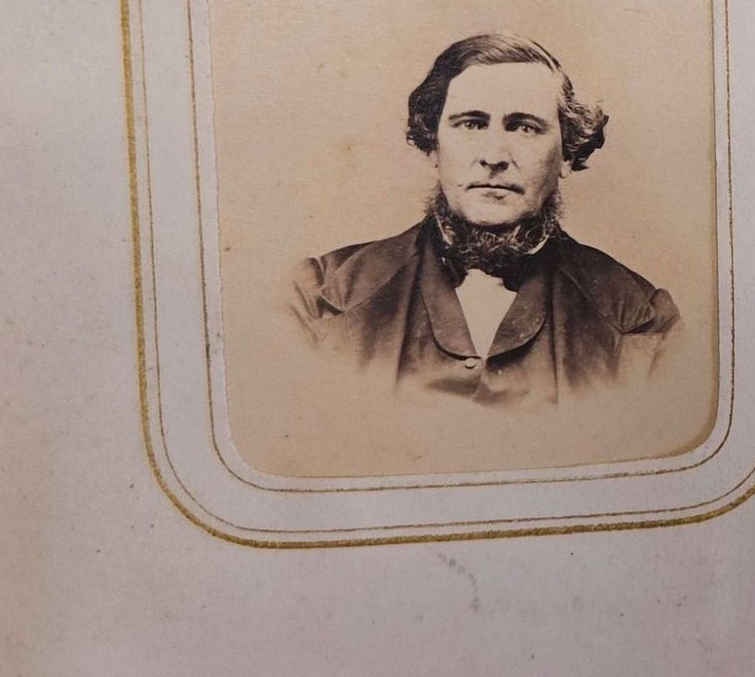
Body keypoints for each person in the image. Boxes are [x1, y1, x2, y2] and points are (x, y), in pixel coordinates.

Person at [286, 32, 679, 406]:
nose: (494, 156)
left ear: (566, 154)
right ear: (433, 145)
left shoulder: (642, 323)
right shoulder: (319, 299)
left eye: (525, 127)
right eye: (471, 124)